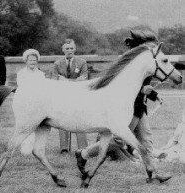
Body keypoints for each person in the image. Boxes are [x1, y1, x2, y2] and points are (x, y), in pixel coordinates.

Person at [75, 30, 171, 182]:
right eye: (149, 45)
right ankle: (83, 154)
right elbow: (124, 85)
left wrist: (154, 94)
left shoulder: (148, 60)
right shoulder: (129, 60)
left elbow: (144, 84)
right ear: (141, 45)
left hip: (141, 108)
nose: (152, 49)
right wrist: (143, 90)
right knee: (119, 140)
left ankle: (152, 174)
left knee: (146, 140)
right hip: (128, 108)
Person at [52, 39, 88, 154]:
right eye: (67, 48)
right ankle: (64, 148)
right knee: (63, 120)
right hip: (63, 97)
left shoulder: (82, 62)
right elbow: (54, 81)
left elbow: (83, 79)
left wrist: (66, 81)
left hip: (78, 96)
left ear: (75, 49)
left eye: (71, 48)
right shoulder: (57, 64)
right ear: (63, 50)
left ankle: (83, 148)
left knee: (80, 120)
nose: (69, 51)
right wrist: (73, 81)